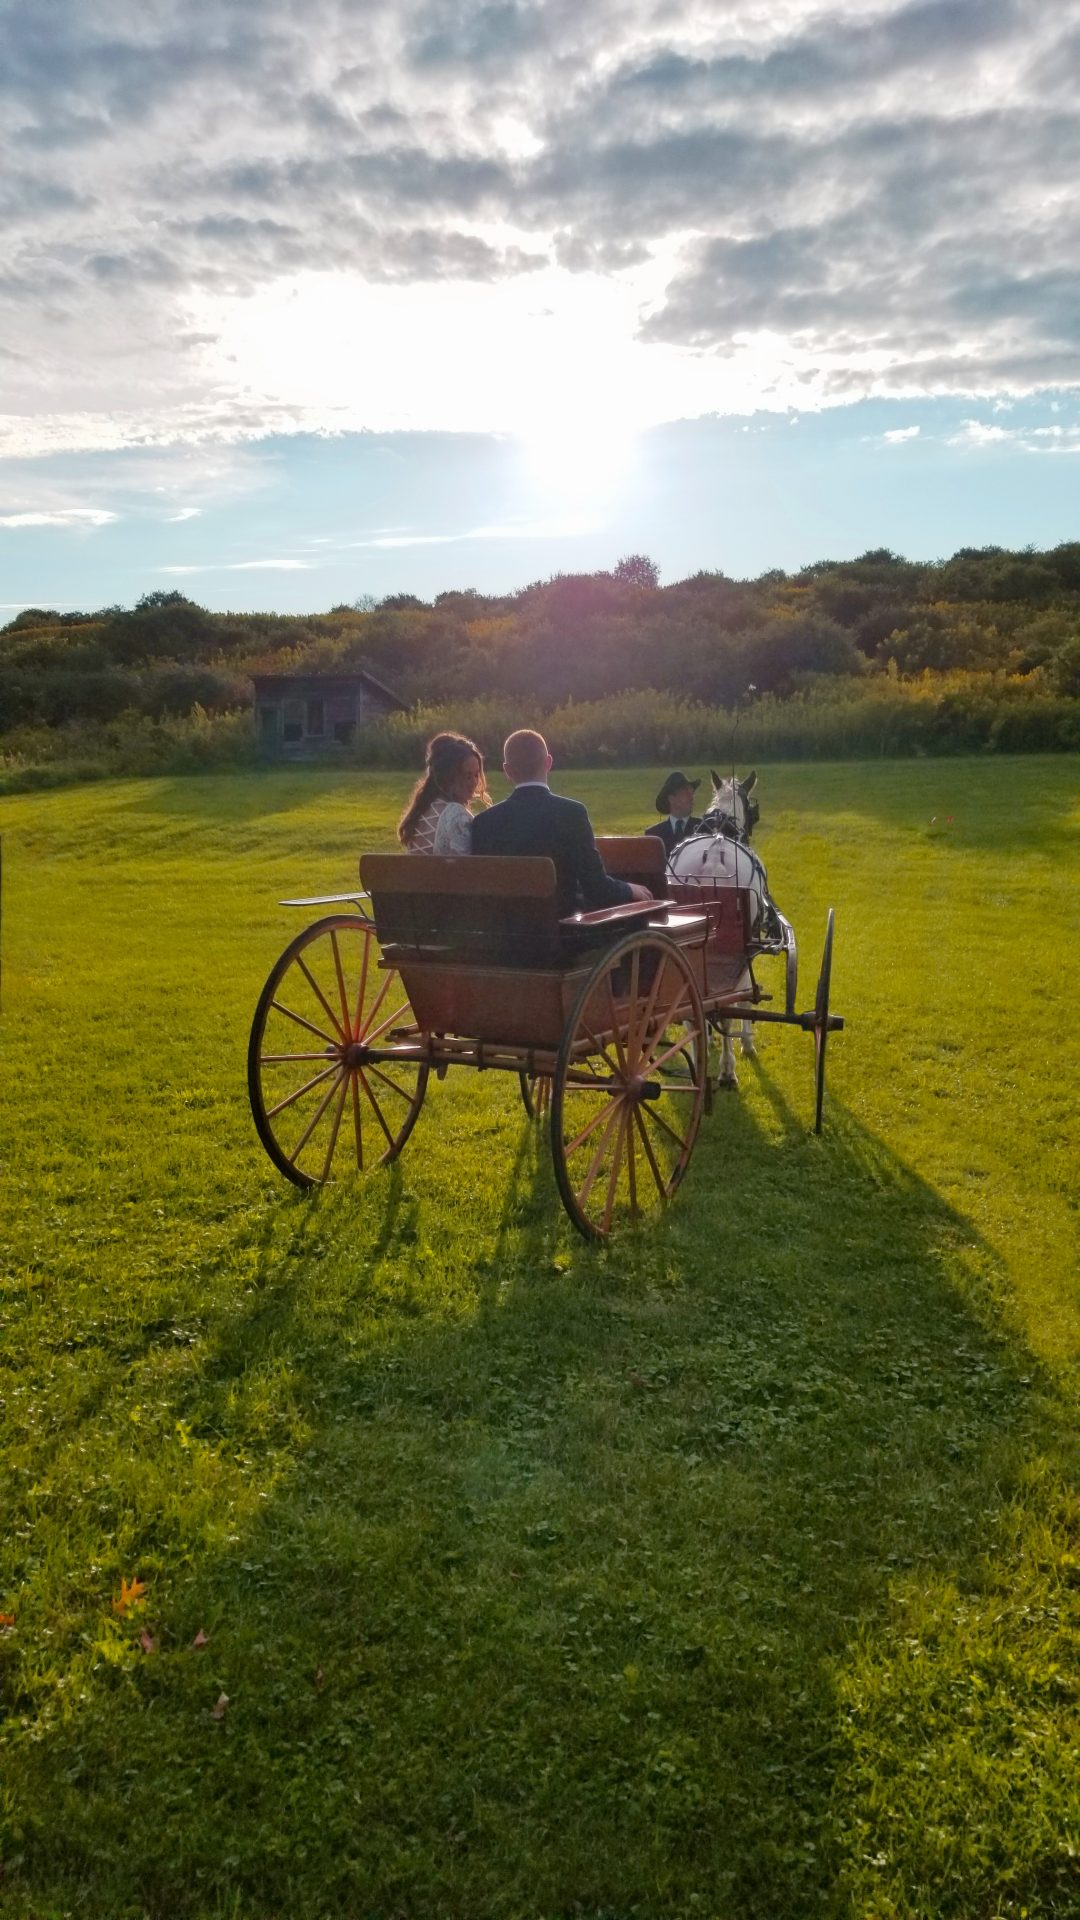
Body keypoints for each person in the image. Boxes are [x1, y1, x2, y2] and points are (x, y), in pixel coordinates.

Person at [471, 728, 652, 916]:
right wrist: (630, 889)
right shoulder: (571, 814)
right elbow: (597, 888)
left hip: (503, 937)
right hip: (561, 936)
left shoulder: (483, 823)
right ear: (548, 762)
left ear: (507, 770)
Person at [397, 731, 489, 855]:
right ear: (449, 777)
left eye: (476, 775)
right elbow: (466, 869)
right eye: (467, 776)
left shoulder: (422, 810)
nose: (474, 782)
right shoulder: (455, 815)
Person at [644, 771, 702, 855]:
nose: (691, 797)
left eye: (692, 793)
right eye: (686, 792)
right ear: (671, 798)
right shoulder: (654, 835)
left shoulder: (703, 828)